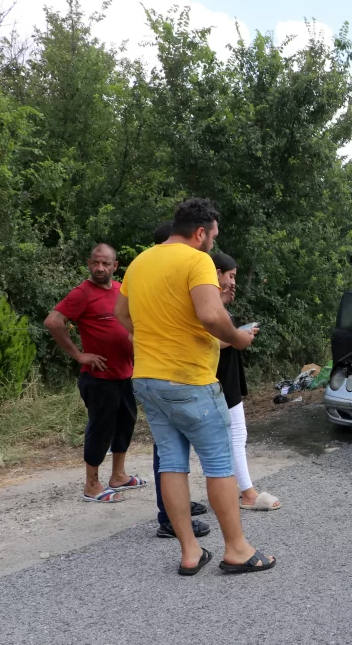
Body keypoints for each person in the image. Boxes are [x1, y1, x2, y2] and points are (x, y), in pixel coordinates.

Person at [116, 198, 275, 575]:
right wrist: (237, 338)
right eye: (213, 236)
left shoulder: (141, 261)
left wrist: (156, 337)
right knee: (219, 464)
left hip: (148, 379)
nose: (212, 244)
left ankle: (190, 552)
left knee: (171, 462)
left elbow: (121, 314)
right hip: (190, 379)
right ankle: (236, 550)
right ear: (200, 232)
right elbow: (209, 314)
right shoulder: (197, 260)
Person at [45, 244, 143, 504]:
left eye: (105, 264)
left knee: (125, 423)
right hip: (99, 378)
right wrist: (79, 355)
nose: (100, 268)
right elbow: (53, 321)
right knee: (101, 429)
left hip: (124, 373)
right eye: (95, 263)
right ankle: (91, 485)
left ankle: (118, 476)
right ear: (89, 264)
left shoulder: (122, 289)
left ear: (115, 266)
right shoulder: (82, 293)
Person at [150, 220, 211, 539]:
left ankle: (177, 509)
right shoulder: (176, 266)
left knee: (173, 448)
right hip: (173, 374)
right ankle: (170, 517)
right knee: (170, 452)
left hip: (154, 374)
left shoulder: (149, 269)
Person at [212, 252, 280, 511]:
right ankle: (248, 494)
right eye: (230, 276)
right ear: (217, 273)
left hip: (224, 378)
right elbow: (211, 342)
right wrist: (239, 335)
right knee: (236, 435)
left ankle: (234, 489)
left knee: (227, 439)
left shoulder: (217, 307)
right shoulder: (209, 308)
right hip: (221, 381)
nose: (233, 283)